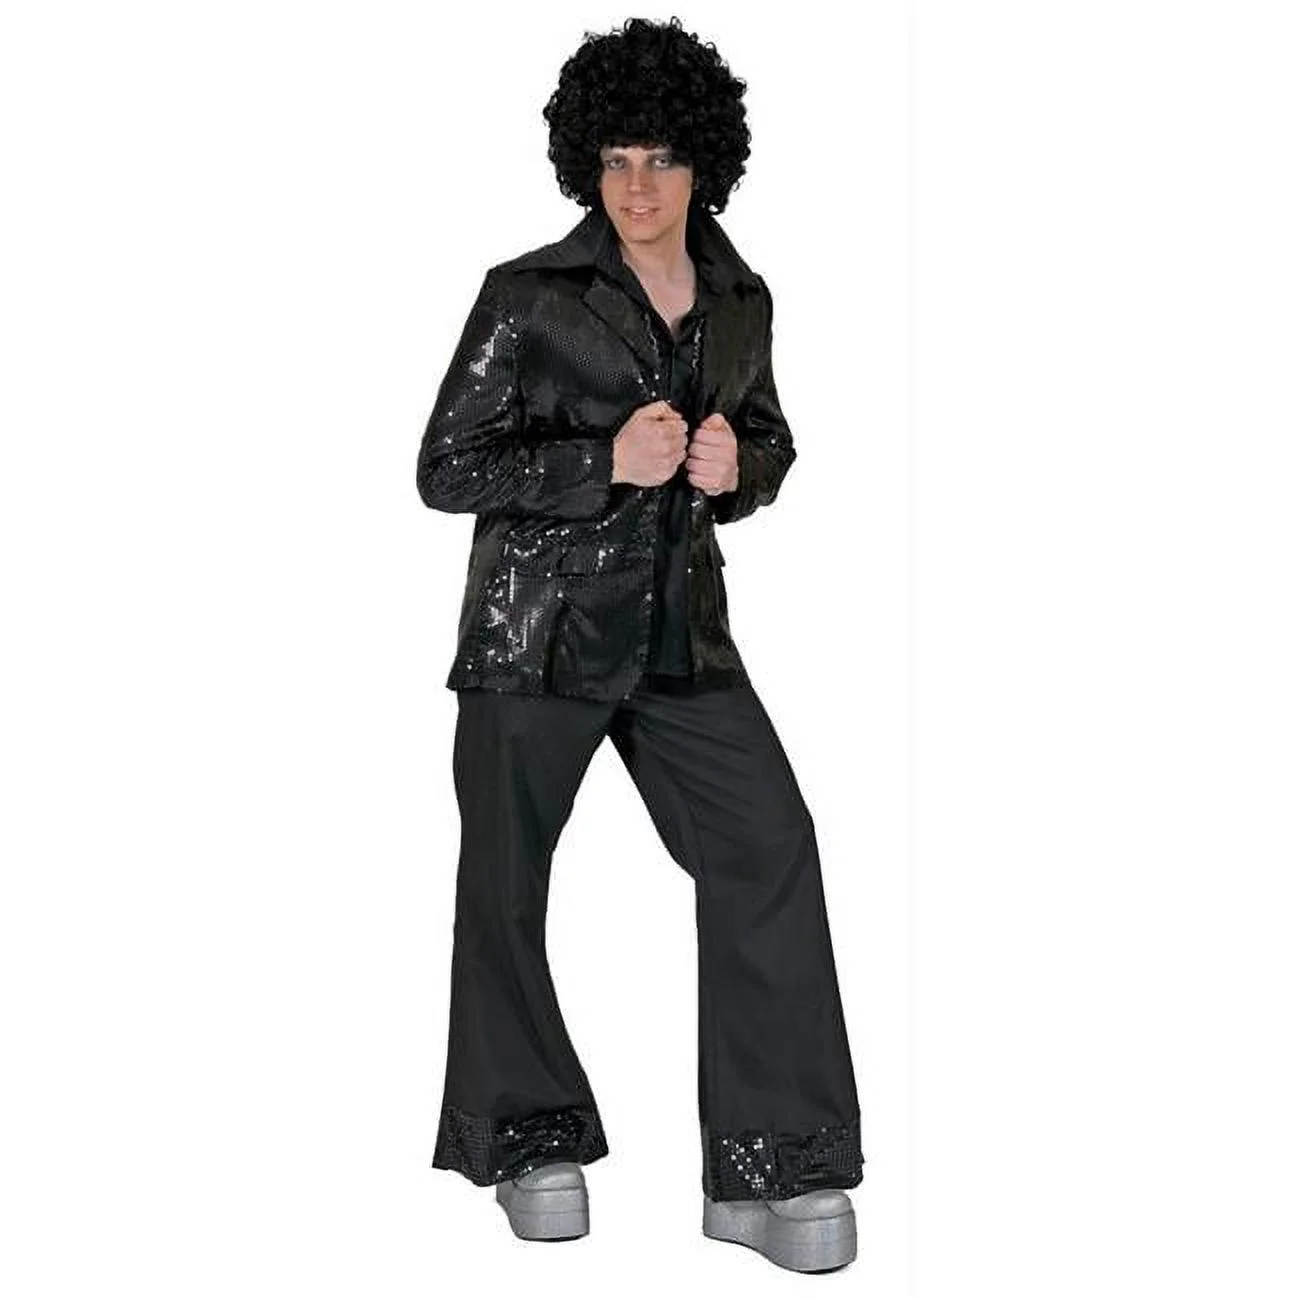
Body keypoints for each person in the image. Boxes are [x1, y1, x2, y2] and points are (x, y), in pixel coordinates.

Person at [416, 17, 864, 1272]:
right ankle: (526, 1140)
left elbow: (766, 437)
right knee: (505, 884)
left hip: (680, 637)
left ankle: (772, 1168)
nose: (637, 185)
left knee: (768, 844)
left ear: (702, 163)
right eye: (615, 159)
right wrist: (597, 460)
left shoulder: (741, 298)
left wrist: (739, 469)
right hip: (535, 635)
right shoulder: (527, 295)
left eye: (661, 157)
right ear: (586, 164)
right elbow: (445, 466)